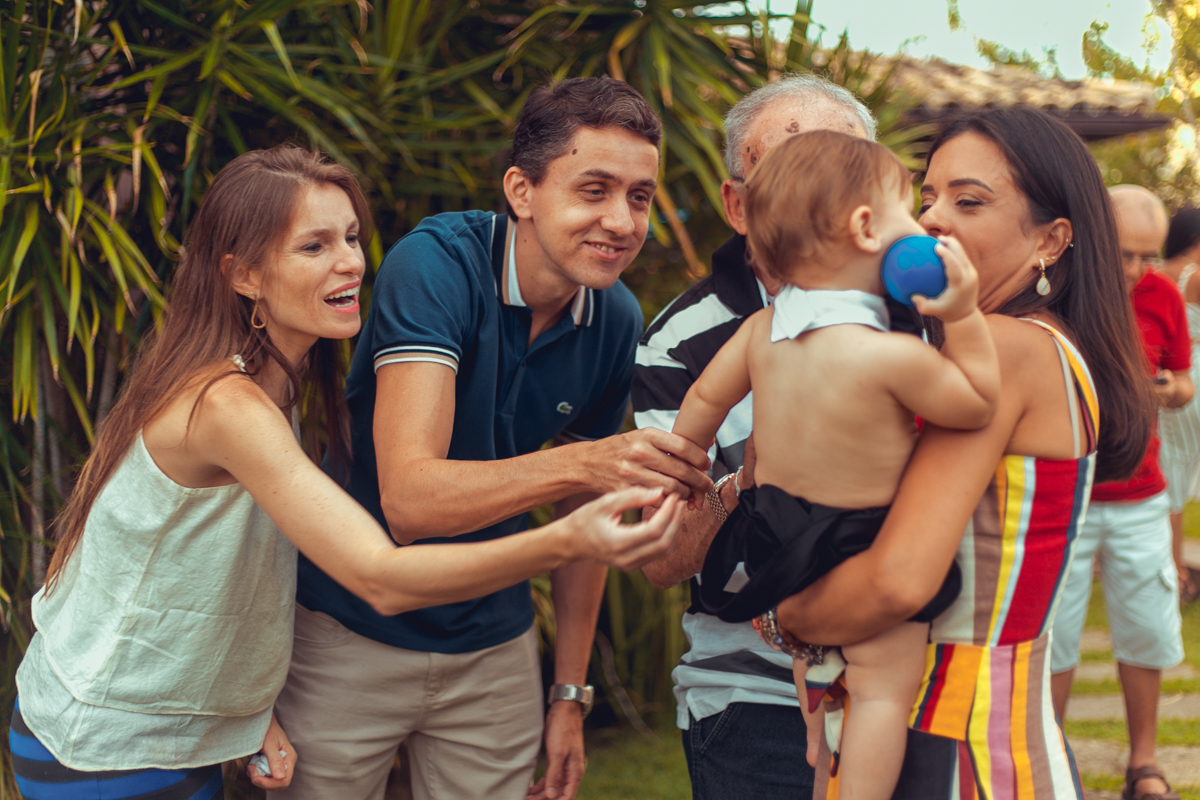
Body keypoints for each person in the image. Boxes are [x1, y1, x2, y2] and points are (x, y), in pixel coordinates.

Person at [8, 145, 684, 800]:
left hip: (176, 733)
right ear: (244, 275)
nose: (350, 264)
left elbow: (212, 576)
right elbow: (378, 577)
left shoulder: (277, 385)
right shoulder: (226, 405)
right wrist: (569, 538)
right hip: (107, 743)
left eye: (352, 239)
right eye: (315, 247)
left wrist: (248, 714)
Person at [275, 77, 711, 800]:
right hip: (349, 629)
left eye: (639, 197)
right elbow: (411, 499)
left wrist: (569, 695)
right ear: (522, 190)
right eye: (594, 189)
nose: (622, 221)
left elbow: (588, 526)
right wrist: (588, 462)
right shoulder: (437, 266)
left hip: (496, 648)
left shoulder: (614, 318)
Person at [771, 107, 1155, 800]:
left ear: (1051, 239)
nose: (931, 220)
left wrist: (782, 615)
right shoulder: (1022, 349)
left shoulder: (1007, 351)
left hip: (957, 751)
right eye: (926, 198)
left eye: (968, 201)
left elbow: (898, 581)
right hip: (983, 735)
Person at [670, 130, 1000, 800]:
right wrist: (962, 315)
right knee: (880, 692)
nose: (925, 226)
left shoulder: (763, 330)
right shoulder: (887, 356)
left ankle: (822, 767)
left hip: (778, 546)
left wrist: (683, 463)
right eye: (911, 210)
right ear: (867, 227)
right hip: (863, 542)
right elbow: (975, 404)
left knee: (816, 677)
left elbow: (704, 398)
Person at [633, 74, 911, 800]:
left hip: (913, 660)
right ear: (738, 205)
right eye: (787, 172)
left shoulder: (921, 315)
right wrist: (749, 480)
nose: (818, 197)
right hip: (753, 690)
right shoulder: (686, 341)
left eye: (841, 170)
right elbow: (659, 560)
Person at [1049, 185, 1192, 800]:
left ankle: (1144, 762)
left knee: (1147, 626)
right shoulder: (1062, 291)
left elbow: (1185, 382)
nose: (1137, 269)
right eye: (1127, 253)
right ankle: (1047, 752)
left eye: (1150, 256)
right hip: (1070, 491)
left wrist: (1165, 390)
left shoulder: (1163, 296)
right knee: (1053, 629)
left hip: (1142, 494)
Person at [1156, 205, 1200, 600]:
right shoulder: (1195, 276)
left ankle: (1176, 570)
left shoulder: (1157, 276)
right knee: (1178, 474)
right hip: (1192, 377)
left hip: (1172, 377)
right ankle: (1178, 573)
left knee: (1173, 473)